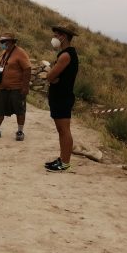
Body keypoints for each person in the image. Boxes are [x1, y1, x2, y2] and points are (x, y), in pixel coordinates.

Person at [0, 32, 31, 141]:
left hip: (16, 88)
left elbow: (27, 69)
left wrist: (25, 86)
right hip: (1, 87)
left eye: (3, 41)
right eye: (1, 41)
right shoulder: (5, 52)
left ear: (11, 42)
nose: (1, 43)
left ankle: (20, 131)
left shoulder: (20, 53)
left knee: (20, 110)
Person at [45, 23, 79, 172]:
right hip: (61, 96)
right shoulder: (67, 54)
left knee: (64, 130)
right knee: (61, 130)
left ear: (63, 36)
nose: (54, 37)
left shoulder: (65, 55)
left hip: (62, 97)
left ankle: (65, 163)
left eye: (56, 35)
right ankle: (62, 158)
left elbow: (50, 76)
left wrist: (52, 76)